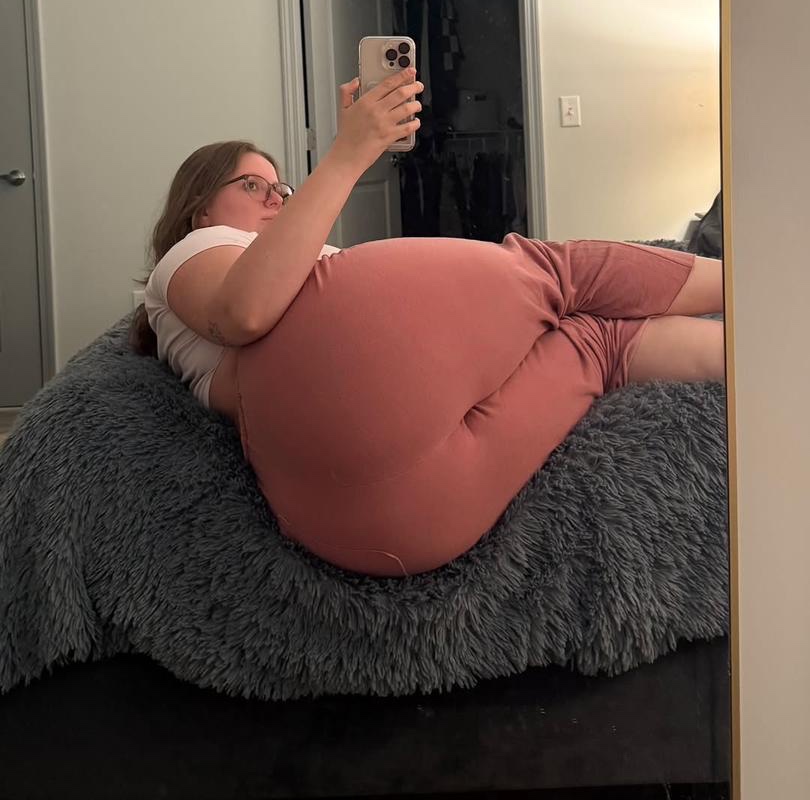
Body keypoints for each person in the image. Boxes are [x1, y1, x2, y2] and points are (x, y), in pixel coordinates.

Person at [130, 67, 724, 578]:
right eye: (251, 185)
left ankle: (762, 344)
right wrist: (350, 152)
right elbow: (245, 312)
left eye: (280, 188)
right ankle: (753, 283)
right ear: (199, 208)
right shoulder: (193, 252)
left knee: (595, 344)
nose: (275, 198)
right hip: (333, 410)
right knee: (562, 273)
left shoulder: (263, 274)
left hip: (380, 527)